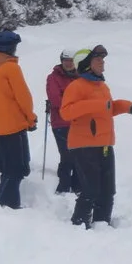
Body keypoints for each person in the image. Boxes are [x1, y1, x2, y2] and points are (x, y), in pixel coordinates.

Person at [59, 44, 132, 228]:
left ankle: (102, 225)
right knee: (90, 190)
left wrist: (125, 106)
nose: (103, 63)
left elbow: (107, 108)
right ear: (86, 64)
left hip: (104, 143)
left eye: (103, 60)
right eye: (98, 60)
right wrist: (97, 105)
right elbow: (66, 112)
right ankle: (79, 225)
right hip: (84, 145)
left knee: (108, 190)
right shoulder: (76, 86)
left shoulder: (102, 86)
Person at [0, 29, 38, 209]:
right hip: (14, 126)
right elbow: (23, 97)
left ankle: (3, 197)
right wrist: (31, 118)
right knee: (17, 169)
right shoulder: (10, 67)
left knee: (9, 168)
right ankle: (6, 204)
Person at [45, 48, 87, 194]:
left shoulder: (80, 77)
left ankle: (77, 185)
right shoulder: (53, 78)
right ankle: (63, 186)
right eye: (66, 61)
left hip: (78, 123)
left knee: (79, 154)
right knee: (67, 155)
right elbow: (56, 100)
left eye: (71, 61)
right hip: (61, 122)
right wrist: (77, 105)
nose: (68, 64)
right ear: (61, 61)